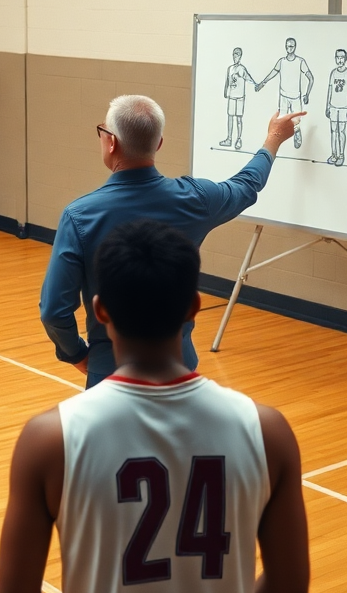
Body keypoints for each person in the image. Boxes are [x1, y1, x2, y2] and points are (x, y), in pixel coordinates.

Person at [0, 219, 309, 593]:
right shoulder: (267, 431)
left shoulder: (49, 439)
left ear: (100, 310)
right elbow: (290, 587)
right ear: (193, 307)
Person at [40, 95, 301, 388]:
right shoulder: (196, 199)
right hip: (180, 370)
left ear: (111, 143)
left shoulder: (79, 216)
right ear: (159, 143)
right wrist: (273, 139)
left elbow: (55, 310)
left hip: (109, 374)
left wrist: (76, 354)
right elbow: (247, 184)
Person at [255, 37, 313, 149]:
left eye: (291, 46)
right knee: (281, 120)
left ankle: (297, 134)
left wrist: (307, 94)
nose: (288, 48)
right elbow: (273, 72)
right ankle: (278, 140)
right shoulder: (282, 62)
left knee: (296, 122)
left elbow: (311, 78)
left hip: (296, 96)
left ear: (295, 47)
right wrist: (263, 83)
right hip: (283, 96)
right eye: (287, 46)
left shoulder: (300, 61)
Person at [219, 47, 258, 150]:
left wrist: (255, 84)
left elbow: (248, 78)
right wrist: (225, 91)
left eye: (237, 55)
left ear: (240, 56)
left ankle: (239, 139)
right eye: (234, 55)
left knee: (239, 118)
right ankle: (229, 138)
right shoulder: (230, 68)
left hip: (240, 97)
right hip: (231, 96)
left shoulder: (242, 69)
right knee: (230, 117)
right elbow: (227, 80)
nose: (235, 57)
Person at [324, 48, 347, 166]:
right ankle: (334, 154)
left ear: (346, 59)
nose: (340, 60)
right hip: (333, 106)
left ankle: (341, 155)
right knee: (333, 131)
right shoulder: (333, 73)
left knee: (341, 131)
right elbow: (330, 89)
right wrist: (327, 106)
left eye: (342, 57)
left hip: (344, 107)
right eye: (338, 57)